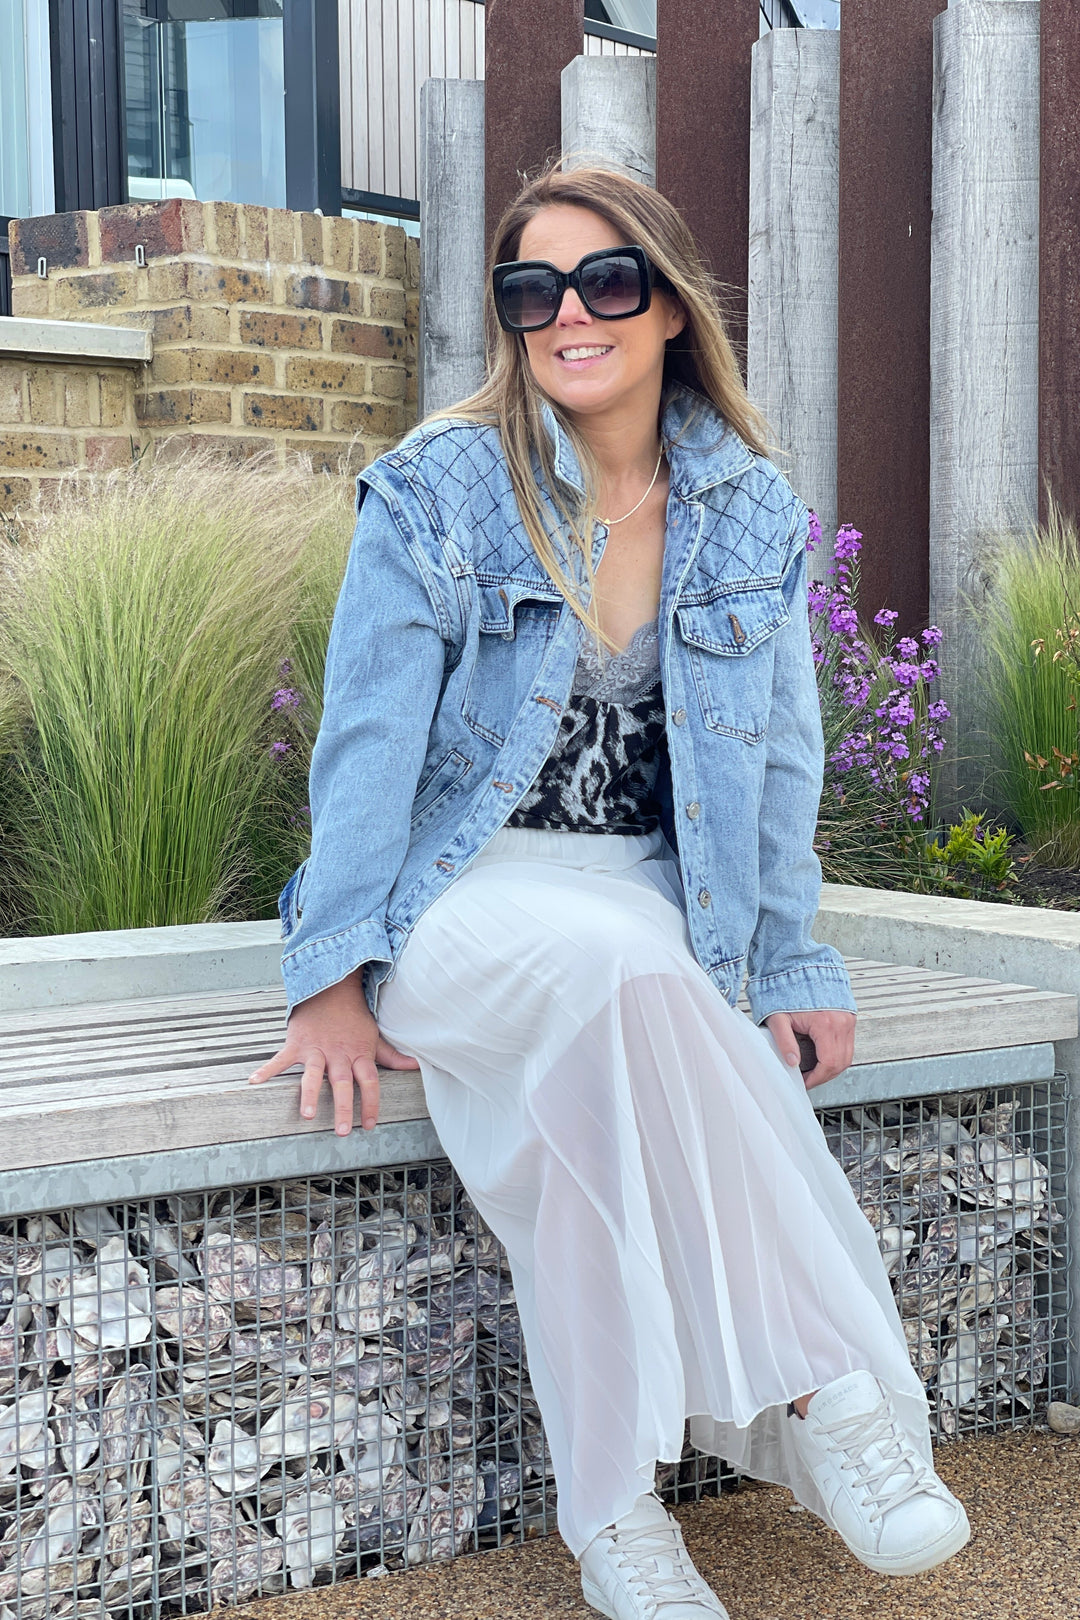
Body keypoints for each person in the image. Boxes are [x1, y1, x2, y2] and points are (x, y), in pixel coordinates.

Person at [250, 161, 970, 1619]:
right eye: (533, 292)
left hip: (647, 901)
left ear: (668, 304)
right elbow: (367, 744)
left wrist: (789, 965)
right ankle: (831, 1400)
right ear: (512, 323)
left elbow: (774, 778)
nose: (568, 313)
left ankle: (616, 1523)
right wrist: (329, 977)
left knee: (579, 1132)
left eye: (603, 282)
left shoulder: (749, 510)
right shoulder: (445, 489)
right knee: (630, 981)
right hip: (454, 904)